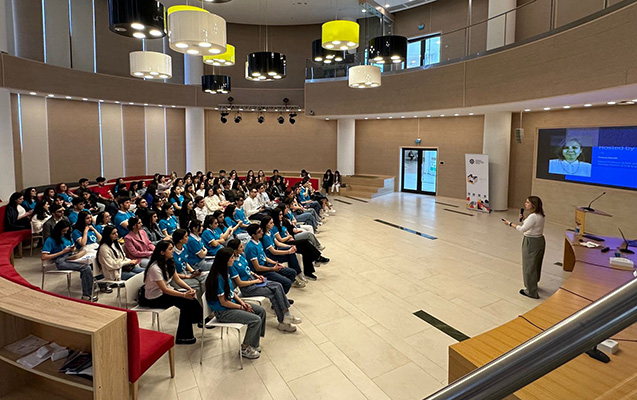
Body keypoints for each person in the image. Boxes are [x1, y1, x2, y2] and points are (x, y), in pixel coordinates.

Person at [227, 239, 301, 332]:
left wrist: (257, 276)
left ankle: (286, 316)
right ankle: (284, 319)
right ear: (235, 250)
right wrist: (256, 281)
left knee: (278, 285)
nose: (243, 248)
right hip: (248, 288)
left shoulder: (241, 256)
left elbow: (248, 270)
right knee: (273, 293)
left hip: (254, 280)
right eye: (241, 247)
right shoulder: (232, 265)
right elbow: (240, 283)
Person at [205, 247, 266, 359]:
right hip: (223, 312)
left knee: (261, 311)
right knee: (255, 320)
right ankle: (244, 348)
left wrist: (242, 303)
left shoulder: (225, 272)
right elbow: (223, 302)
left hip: (231, 305)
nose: (234, 259)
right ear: (225, 260)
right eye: (232, 257)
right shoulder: (218, 277)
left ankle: (253, 343)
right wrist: (241, 307)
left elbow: (232, 293)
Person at [140, 240, 203, 345]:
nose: (173, 250)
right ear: (162, 252)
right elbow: (164, 289)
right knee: (186, 302)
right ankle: (188, 331)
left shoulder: (169, 262)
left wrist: (189, 289)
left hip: (164, 292)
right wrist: (184, 294)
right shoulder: (155, 268)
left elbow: (177, 279)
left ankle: (197, 321)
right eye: (170, 249)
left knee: (189, 300)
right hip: (154, 298)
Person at [503, 196, 546, 299]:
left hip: (531, 242)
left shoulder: (533, 216)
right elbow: (531, 226)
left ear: (533, 205)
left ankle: (531, 291)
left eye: (527, 202)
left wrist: (510, 224)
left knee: (529, 266)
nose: (525, 204)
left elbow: (522, 229)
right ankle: (533, 284)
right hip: (539, 240)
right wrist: (524, 219)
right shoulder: (540, 215)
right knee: (535, 264)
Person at [41, 220, 95, 301]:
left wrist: (73, 249)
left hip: (70, 256)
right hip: (60, 261)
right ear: (58, 230)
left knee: (90, 264)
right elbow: (44, 257)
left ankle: (90, 289)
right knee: (86, 268)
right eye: (63, 231)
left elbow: (73, 247)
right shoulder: (51, 240)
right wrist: (62, 252)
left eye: (66, 231)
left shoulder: (66, 236)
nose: (65, 232)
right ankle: (87, 295)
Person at [244, 224, 298, 293]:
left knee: (292, 272)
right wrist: (273, 268)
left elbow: (265, 257)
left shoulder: (259, 242)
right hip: (261, 271)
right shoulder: (251, 247)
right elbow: (257, 268)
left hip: (267, 265)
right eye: (259, 232)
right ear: (253, 235)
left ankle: (281, 294)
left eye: (261, 230)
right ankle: (280, 296)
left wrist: (276, 263)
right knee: (287, 282)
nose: (262, 232)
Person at [260, 216, 306, 285]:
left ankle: (297, 274)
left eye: (273, 222)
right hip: (271, 256)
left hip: (275, 251)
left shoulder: (270, 232)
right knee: (290, 254)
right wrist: (288, 251)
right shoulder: (265, 237)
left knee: (291, 252)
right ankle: (297, 274)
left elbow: (278, 243)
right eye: (271, 223)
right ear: (266, 224)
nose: (273, 224)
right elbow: (274, 252)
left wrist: (290, 246)